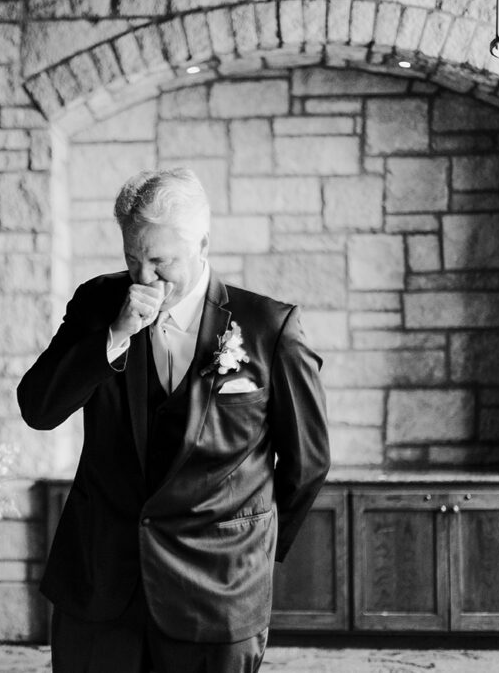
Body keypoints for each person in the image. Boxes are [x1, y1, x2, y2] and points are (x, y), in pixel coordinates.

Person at [18, 168, 330, 673]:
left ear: (202, 245)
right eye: (132, 259)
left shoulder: (269, 327)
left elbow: (307, 464)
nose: (144, 277)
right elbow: (38, 407)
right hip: (99, 586)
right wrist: (114, 336)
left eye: (161, 261)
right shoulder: (98, 302)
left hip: (216, 591)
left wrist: (250, 554)